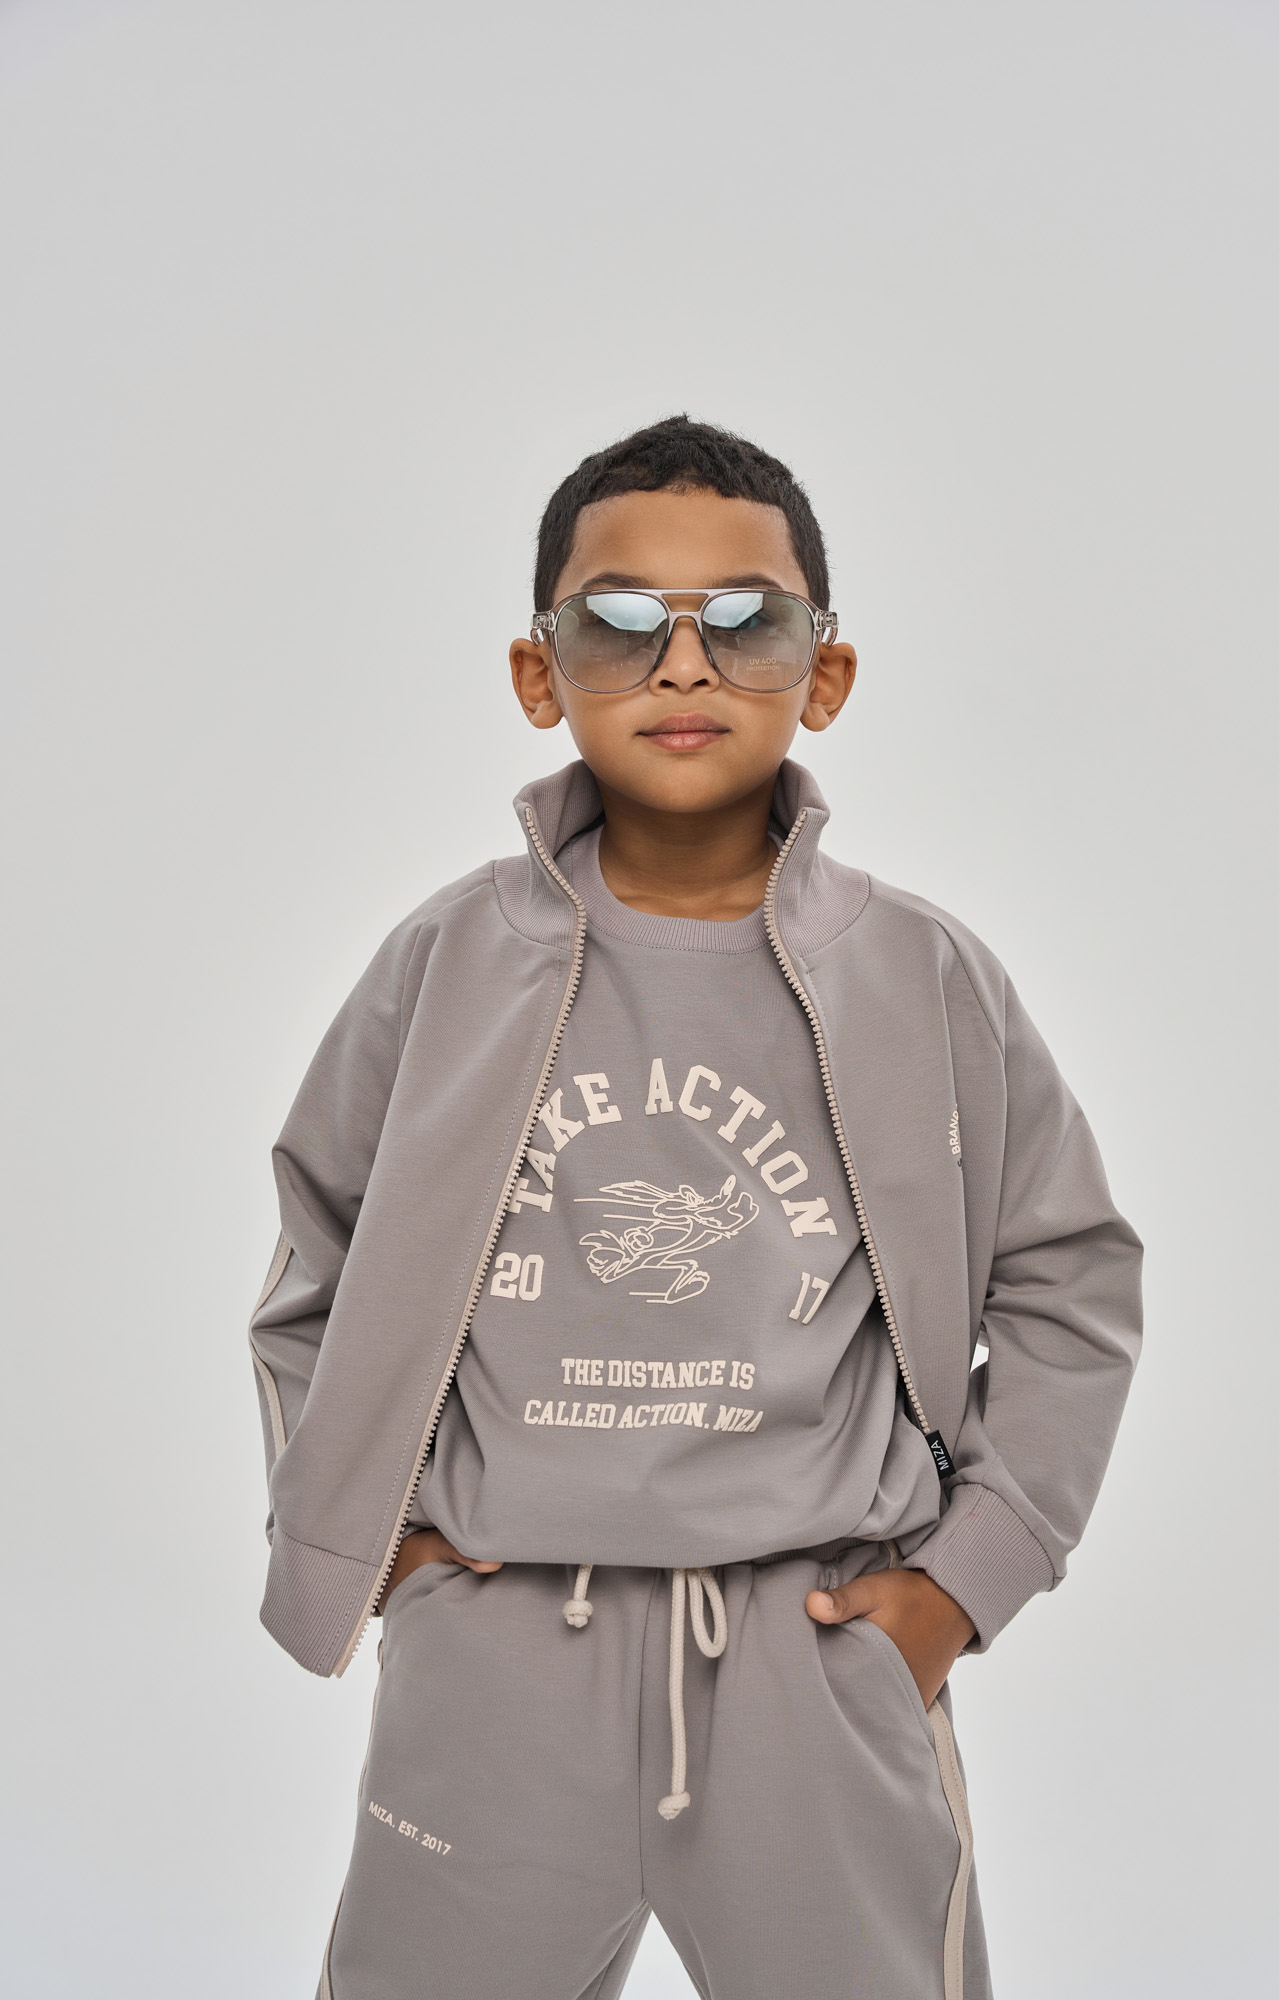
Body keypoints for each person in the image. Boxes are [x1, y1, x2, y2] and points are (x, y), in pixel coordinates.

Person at [249, 415, 1142, 2000]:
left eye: (745, 619)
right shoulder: (440, 966)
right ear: (539, 674)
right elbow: (316, 1261)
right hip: (498, 1653)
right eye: (616, 620)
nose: (681, 662)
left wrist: (959, 1588)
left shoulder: (923, 976)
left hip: (815, 1657)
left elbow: (1066, 1282)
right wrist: (387, 1553)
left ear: (824, 673)